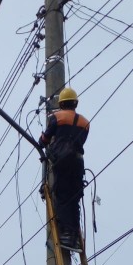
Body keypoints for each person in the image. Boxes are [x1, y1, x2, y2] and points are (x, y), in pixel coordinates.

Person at [39, 87, 90, 248]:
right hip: (78, 162)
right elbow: (81, 141)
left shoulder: (56, 117)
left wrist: (43, 141)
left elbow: (45, 139)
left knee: (62, 195)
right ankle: (75, 236)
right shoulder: (85, 123)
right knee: (74, 197)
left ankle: (66, 233)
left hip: (62, 161)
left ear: (61, 104)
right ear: (75, 103)